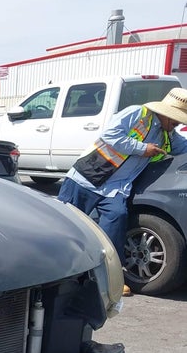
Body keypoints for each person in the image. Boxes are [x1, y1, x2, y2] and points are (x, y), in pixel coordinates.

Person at [57, 87, 187, 296]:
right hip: (88, 178)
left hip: (116, 188)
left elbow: (185, 148)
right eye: (175, 120)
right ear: (165, 112)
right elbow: (110, 135)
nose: (177, 125)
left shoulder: (168, 135)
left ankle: (110, 277)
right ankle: (55, 270)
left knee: (116, 221)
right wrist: (143, 149)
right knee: (66, 224)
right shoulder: (138, 113)